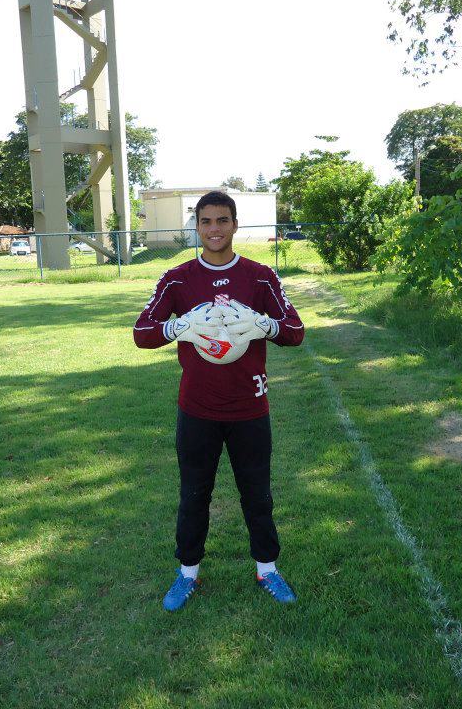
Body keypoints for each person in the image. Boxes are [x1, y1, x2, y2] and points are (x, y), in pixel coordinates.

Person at [133, 191, 305, 611]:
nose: (214, 229)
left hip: (250, 406)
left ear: (235, 224)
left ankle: (268, 569)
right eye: (206, 221)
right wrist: (179, 327)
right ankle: (187, 573)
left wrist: (264, 324)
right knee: (194, 493)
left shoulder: (260, 276)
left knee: (257, 494)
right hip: (197, 408)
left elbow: (295, 332)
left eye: (222, 220)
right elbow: (142, 333)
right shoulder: (177, 278)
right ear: (197, 225)